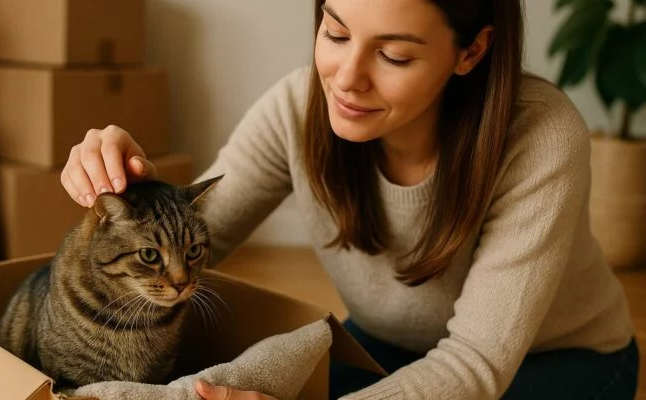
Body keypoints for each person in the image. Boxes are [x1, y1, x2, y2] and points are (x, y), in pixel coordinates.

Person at [60, 0, 640, 398]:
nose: (345, 78)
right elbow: (202, 230)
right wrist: (133, 202)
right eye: (335, 33)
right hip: (389, 343)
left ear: (471, 51)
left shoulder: (541, 135)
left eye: (394, 55)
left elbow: (476, 365)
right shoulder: (298, 107)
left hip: (556, 362)